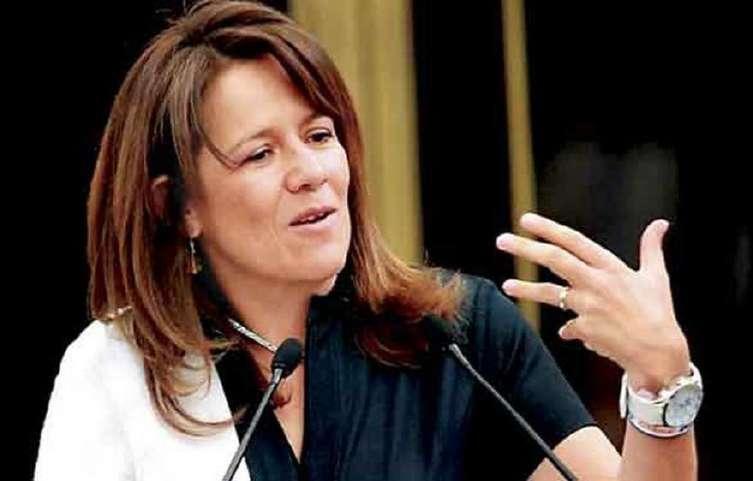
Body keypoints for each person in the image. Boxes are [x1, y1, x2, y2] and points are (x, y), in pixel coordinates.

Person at [34, 1, 701, 480]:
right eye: (260, 153)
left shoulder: (455, 335)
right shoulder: (119, 372)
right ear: (178, 207)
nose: (310, 172)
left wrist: (660, 384)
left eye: (319, 135)